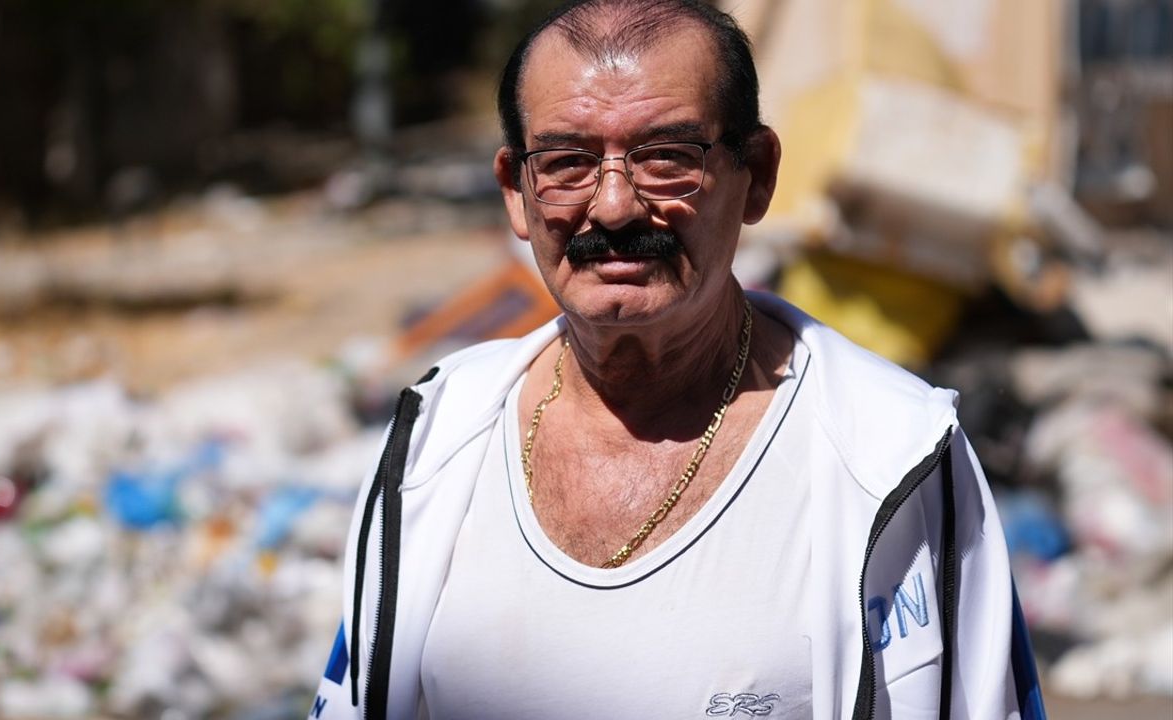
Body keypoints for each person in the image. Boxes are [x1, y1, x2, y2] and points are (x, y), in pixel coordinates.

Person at [308, 1, 1043, 718]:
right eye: (567, 162)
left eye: (667, 157)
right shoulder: (436, 441)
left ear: (755, 174)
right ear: (515, 191)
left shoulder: (890, 458)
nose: (616, 206)